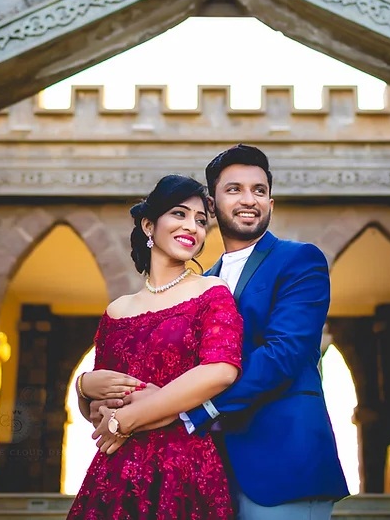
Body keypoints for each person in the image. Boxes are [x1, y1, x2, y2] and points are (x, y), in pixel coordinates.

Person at [92, 145, 349, 519]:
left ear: (271, 203)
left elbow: (285, 354)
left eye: (259, 191)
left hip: (283, 465)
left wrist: (190, 411)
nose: (249, 200)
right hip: (209, 474)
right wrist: (90, 389)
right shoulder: (202, 285)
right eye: (235, 189)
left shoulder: (299, 260)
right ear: (212, 205)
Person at [67, 174, 244, 520]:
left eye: (200, 220)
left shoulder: (211, 292)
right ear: (149, 225)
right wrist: (84, 387)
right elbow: (101, 411)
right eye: (179, 214)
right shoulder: (117, 310)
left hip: (183, 465)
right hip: (116, 471)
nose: (192, 227)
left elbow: (221, 370)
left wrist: (126, 419)